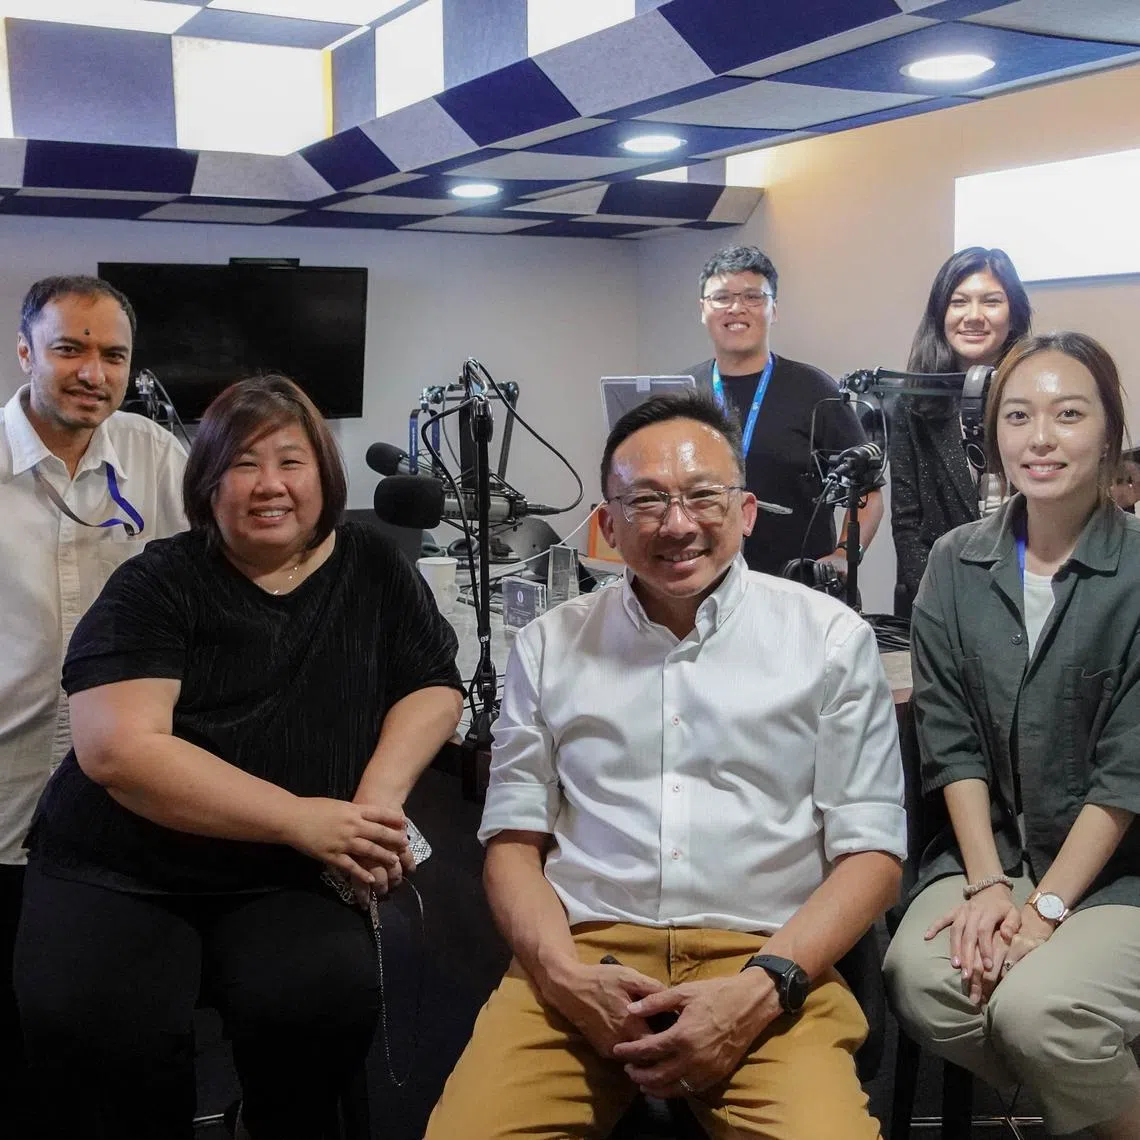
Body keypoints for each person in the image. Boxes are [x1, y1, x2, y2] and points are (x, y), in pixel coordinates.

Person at [425, 390, 906, 1140]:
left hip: (766, 961)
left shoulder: (829, 640)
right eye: (646, 502)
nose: (677, 524)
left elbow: (871, 853)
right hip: (584, 956)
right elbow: (513, 845)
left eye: (701, 497)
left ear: (745, 511)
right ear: (609, 526)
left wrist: (761, 987)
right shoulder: (549, 644)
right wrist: (563, 978)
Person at [13, 375, 464, 1138]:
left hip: (282, 872)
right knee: (102, 1028)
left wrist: (374, 804)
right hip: (124, 868)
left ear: (324, 474)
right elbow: (120, 750)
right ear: (206, 483)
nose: (269, 486)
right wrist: (298, 818)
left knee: (321, 1003)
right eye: (242, 465)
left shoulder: (375, 568)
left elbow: (430, 685)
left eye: (291, 462)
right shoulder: (159, 582)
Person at [883, 333, 1140, 1138]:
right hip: (993, 856)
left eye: (1069, 415)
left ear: (1108, 432)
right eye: (1019, 416)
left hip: (1119, 875)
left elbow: (1127, 773)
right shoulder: (956, 566)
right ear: (993, 434)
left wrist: (1048, 909)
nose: (1040, 438)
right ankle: (1088, 1086)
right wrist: (992, 886)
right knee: (919, 977)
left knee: (1039, 1007)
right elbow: (951, 744)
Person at [0, 274, 188, 1117]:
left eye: (113, 354)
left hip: (127, 807)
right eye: (70, 348)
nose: (93, 372)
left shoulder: (156, 456)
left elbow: (209, 589)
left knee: (114, 1031)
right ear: (26, 351)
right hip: (4, 791)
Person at [686, 245, 884, 578]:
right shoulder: (684, 391)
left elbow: (868, 496)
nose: (737, 308)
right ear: (702, 310)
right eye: (722, 298)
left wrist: (842, 556)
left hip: (799, 588)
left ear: (773, 309)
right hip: (703, 584)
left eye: (753, 297)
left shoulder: (815, 390)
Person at [890, 247, 1032, 608]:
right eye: (959, 302)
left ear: (1013, 314)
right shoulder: (912, 402)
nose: (973, 316)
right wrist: (942, 607)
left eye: (991, 302)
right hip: (938, 597)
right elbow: (907, 522)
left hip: (1031, 590)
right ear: (941, 314)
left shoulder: (1039, 393)